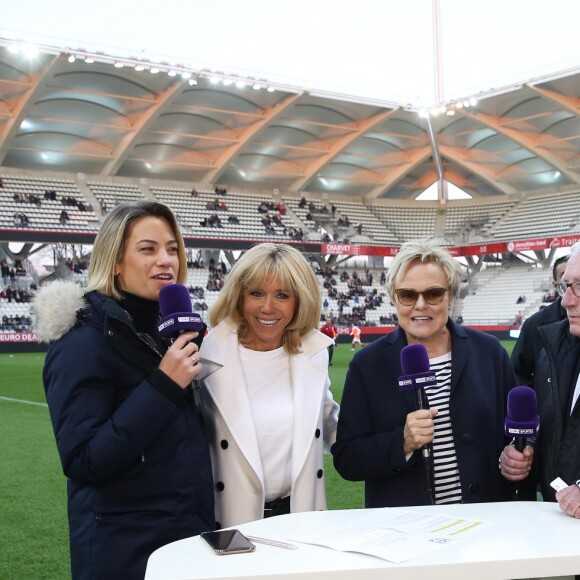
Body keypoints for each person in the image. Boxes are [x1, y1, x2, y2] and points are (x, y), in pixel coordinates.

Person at [32, 201, 215, 580]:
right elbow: (84, 460)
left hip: (187, 539)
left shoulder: (172, 335)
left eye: (172, 248)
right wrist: (162, 385)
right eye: (147, 249)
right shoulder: (81, 343)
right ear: (114, 261)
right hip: (125, 552)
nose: (166, 260)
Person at [332, 239, 517, 507]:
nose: (420, 305)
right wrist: (402, 443)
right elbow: (347, 459)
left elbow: (515, 430)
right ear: (394, 298)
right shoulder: (367, 365)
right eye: (408, 295)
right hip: (406, 531)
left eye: (433, 294)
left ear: (450, 295)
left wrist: (519, 452)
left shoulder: (489, 352)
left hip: (484, 524)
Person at [198, 242, 339, 528]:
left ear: (299, 300)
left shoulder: (314, 354)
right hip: (230, 519)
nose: (268, 307)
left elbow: (331, 425)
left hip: (299, 516)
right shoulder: (205, 356)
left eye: (282, 295)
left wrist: (392, 438)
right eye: (256, 293)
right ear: (239, 296)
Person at [501, 243, 580, 519]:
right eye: (565, 287)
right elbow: (560, 431)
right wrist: (524, 450)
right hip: (558, 525)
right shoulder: (556, 349)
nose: (567, 301)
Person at [511, 254, 569, 386]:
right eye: (564, 276)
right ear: (555, 285)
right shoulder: (535, 325)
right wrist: (541, 397)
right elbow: (517, 372)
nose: (569, 282)